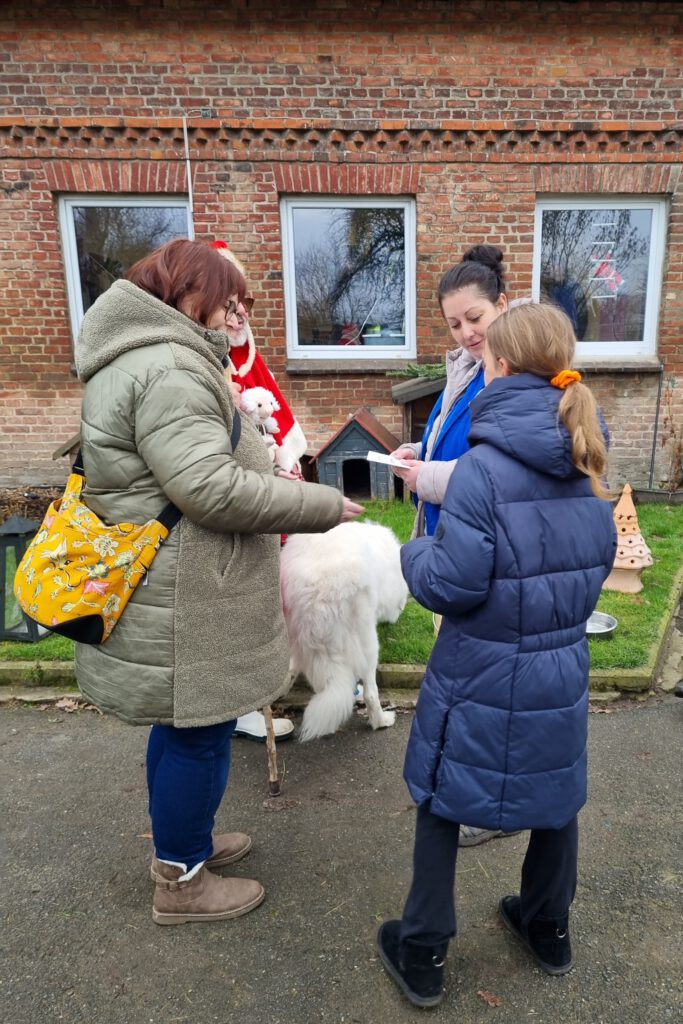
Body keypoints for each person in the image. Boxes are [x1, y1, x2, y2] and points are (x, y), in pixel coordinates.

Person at [73, 239, 363, 926]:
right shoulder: (170, 368)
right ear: (185, 294)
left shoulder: (142, 356)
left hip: (178, 584)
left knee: (181, 727)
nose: (234, 316)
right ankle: (181, 881)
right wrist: (319, 505)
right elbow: (209, 489)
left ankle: (185, 844)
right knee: (199, 730)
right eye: (226, 301)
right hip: (189, 593)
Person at [377, 302, 617, 1008]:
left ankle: (423, 950)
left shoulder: (481, 470)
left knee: (440, 798)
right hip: (559, 663)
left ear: (501, 366)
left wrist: (414, 553)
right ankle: (547, 926)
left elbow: (452, 583)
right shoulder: (588, 457)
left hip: (477, 667)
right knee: (557, 796)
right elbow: (596, 564)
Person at [391, 243, 516, 848]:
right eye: (454, 323)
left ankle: (488, 808)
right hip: (453, 542)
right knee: (462, 681)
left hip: (483, 550)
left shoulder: (512, 375)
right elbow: (455, 440)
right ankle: (472, 792)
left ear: (503, 306)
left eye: (475, 318)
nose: (466, 332)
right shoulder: (466, 368)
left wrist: (427, 478)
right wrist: (421, 451)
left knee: (481, 687)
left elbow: (498, 471)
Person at [210, 239, 307, 742]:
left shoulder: (242, 357)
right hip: (230, 509)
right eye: (230, 303)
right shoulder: (204, 366)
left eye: (245, 301)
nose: (241, 313)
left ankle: (270, 682)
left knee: (268, 592)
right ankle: (239, 705)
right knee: (239, 602)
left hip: (260, 496)